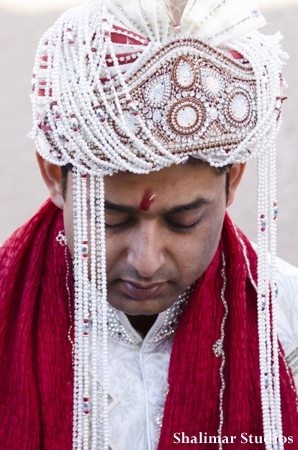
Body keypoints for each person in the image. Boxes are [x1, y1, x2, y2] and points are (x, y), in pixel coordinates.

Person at [0, 0, 298, 449]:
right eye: (111, 219)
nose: (145, 261)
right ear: (52, 177)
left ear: (232, 181)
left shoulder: (288, 323)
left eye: (184, 221)